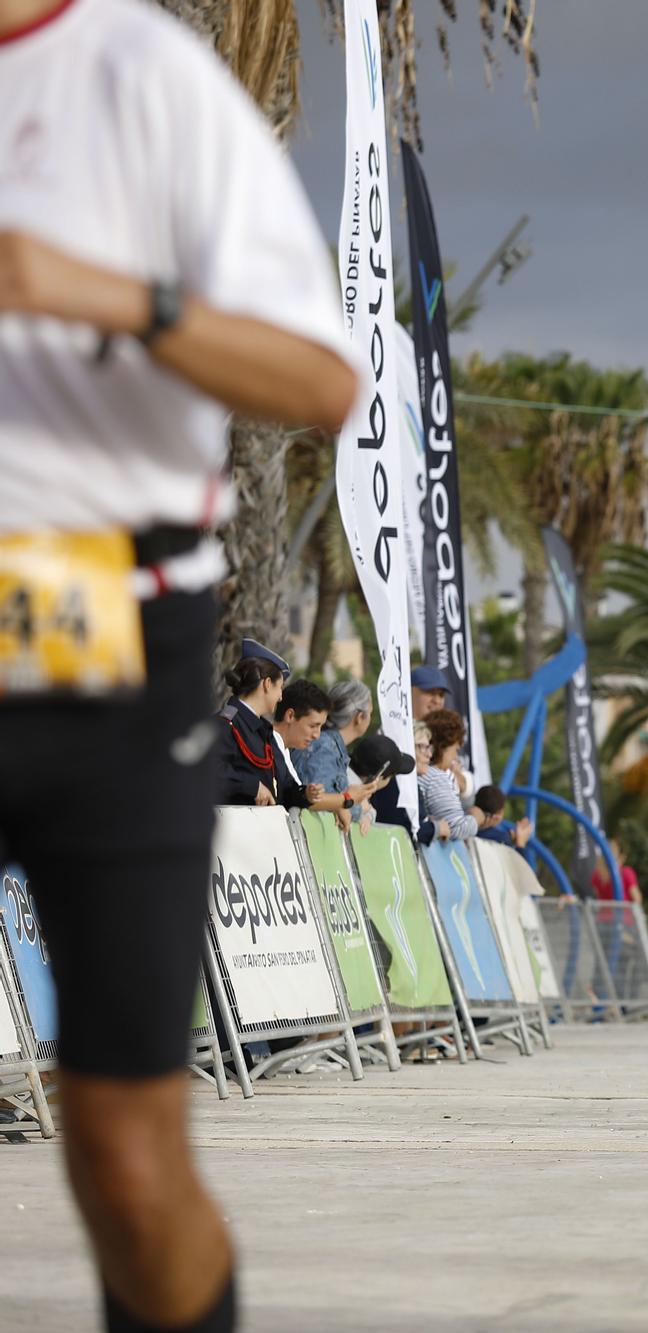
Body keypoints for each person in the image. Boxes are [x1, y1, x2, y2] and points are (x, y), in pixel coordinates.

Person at [0, 0, 360, 1323]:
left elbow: (322, 382)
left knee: (123, 1158)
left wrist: (106, 293)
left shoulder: (140, 73)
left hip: (114, 652)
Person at [215, 643, 290, 807]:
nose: (281, 697)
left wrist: (306, 794)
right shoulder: (225, 724)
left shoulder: (264, 730)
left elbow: (283, 784)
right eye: (280, 688)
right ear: (267, 684)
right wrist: (252, 786)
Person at [296, 679, 371, 793]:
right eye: (370, 713)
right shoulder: (325, 747)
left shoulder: (329, 744)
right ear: (359, 717)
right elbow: (319, 801)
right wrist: (354, 802)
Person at [416, 711, 478, 843]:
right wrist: (476, 818)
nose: (455, 757)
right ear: (443, 746)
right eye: (455, 750)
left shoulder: (416, 773)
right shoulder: (436, 778)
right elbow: (456, 828)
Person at [472, 784, 534, 853]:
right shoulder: (501, 839)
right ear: (497, 816)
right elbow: (512, 863)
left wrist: (512, 836)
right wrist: (520, 843)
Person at [590, 835, 640, 902]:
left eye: (612, 850)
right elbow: (598, 897)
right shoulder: (596, 876)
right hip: (605, 911)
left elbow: (637, 899)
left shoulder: (626, 873)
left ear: (621, 858)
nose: (608, 853)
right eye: (606, 849)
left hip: (624, 911)